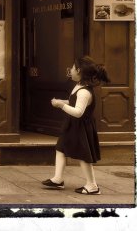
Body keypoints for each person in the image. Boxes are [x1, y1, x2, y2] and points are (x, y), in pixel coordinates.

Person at [42, 56, 111, 195]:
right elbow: (74, 103)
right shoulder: (79, 85)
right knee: (61, 148)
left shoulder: (84, 92)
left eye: (72, 68)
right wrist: (63, 101)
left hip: (81, 126)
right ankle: (58, 179)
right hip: (73, 125)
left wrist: (61, 105)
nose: (70, 70)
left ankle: (92, 186)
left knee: (84, 156)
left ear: (79, 71)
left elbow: (78, 112)